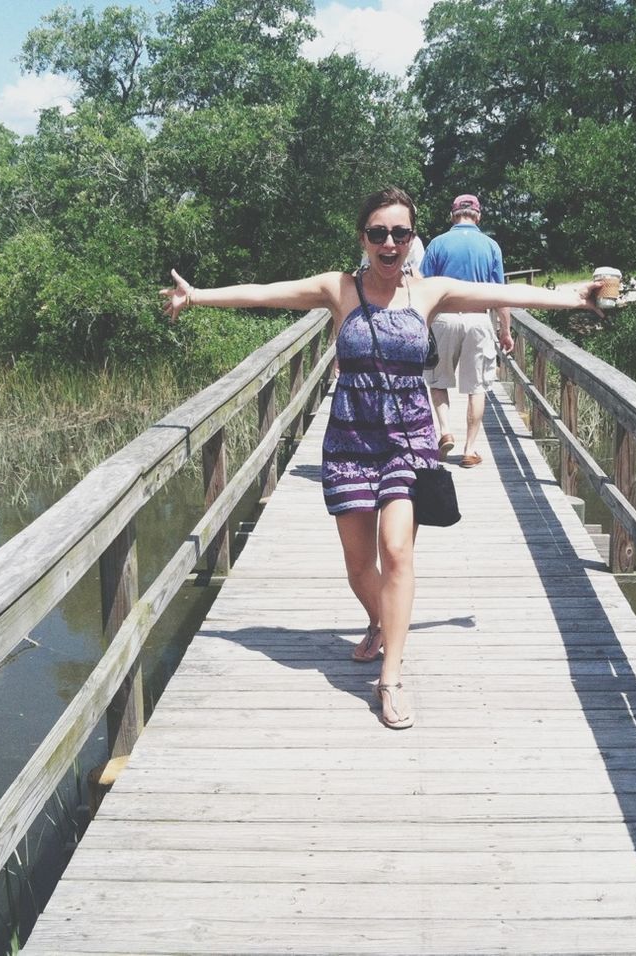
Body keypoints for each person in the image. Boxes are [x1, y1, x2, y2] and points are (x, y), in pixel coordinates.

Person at [162, 187, 602, 730]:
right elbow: (264, 292)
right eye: (378, 233)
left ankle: (390, 678)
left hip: (408, 441)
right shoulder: (339, 289)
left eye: (400, 233)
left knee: (397, 552)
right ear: (363, 239)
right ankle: (379, 621)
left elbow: (502, 294)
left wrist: (577, 296)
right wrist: (199, 296)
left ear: (413, 240)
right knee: (357, 564)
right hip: (349, 439)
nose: (389, 243)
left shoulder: (428, 292)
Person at [420, 193, 514, 468]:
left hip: (444, 319)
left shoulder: (438, 244)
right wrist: (505, 330)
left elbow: (423, 289)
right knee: (477, 388)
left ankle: (445, 430)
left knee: (437, 380)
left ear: (453, 215)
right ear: (478, 215)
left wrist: (420, 326)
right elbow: (500, 295)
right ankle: (470, 450)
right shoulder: (491, 246)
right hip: (477, 319)